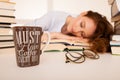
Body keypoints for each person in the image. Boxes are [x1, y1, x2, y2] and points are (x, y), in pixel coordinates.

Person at [25, 11, 114, 53]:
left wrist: (66, 37)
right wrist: (55, 35)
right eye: (81, 24)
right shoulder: (53, 17)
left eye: (82, 33)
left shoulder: (78, 39)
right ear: (83, 14)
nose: (76, 30)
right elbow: (23, 35)